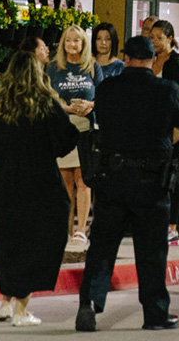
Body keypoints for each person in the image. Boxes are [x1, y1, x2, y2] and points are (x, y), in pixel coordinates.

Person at [77, 35, 179, 332]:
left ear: (126, 58)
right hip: (152, 181)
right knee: (152, 251)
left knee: (101, 245)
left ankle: (88, 304)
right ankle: (155, 314)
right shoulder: (168, 89)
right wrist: (161, 145)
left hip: (112, 178)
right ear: (153, 59)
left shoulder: (107, 88)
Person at [0, 49, 78, 326]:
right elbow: (67, 139)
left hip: (2, 178)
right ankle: (22, 310)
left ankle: (5, 300)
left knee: (6, 238)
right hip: (39, 180)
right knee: (37, 238)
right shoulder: (45, 105)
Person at [50, 24, 99, 247]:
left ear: (83, 43)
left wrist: (90, 105)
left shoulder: (92, 67)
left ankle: (81, 230)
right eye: (68, 40)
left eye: (76, 41)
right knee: (66, 182)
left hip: (85, 130)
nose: (72, 45)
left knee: (83, 180)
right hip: (63, 129)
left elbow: (102, 95)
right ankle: (66, 229)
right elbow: (49, 97)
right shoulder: (54, 67)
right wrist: (68, 108)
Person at [149, 19, 179, 242]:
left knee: (172, 174)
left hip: (172, 127)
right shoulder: (149, 60)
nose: (154, 41)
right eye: (151, 37)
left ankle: (173, 225)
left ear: (170, 38)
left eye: (158, 37)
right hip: (150, 128)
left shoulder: (178, 64)